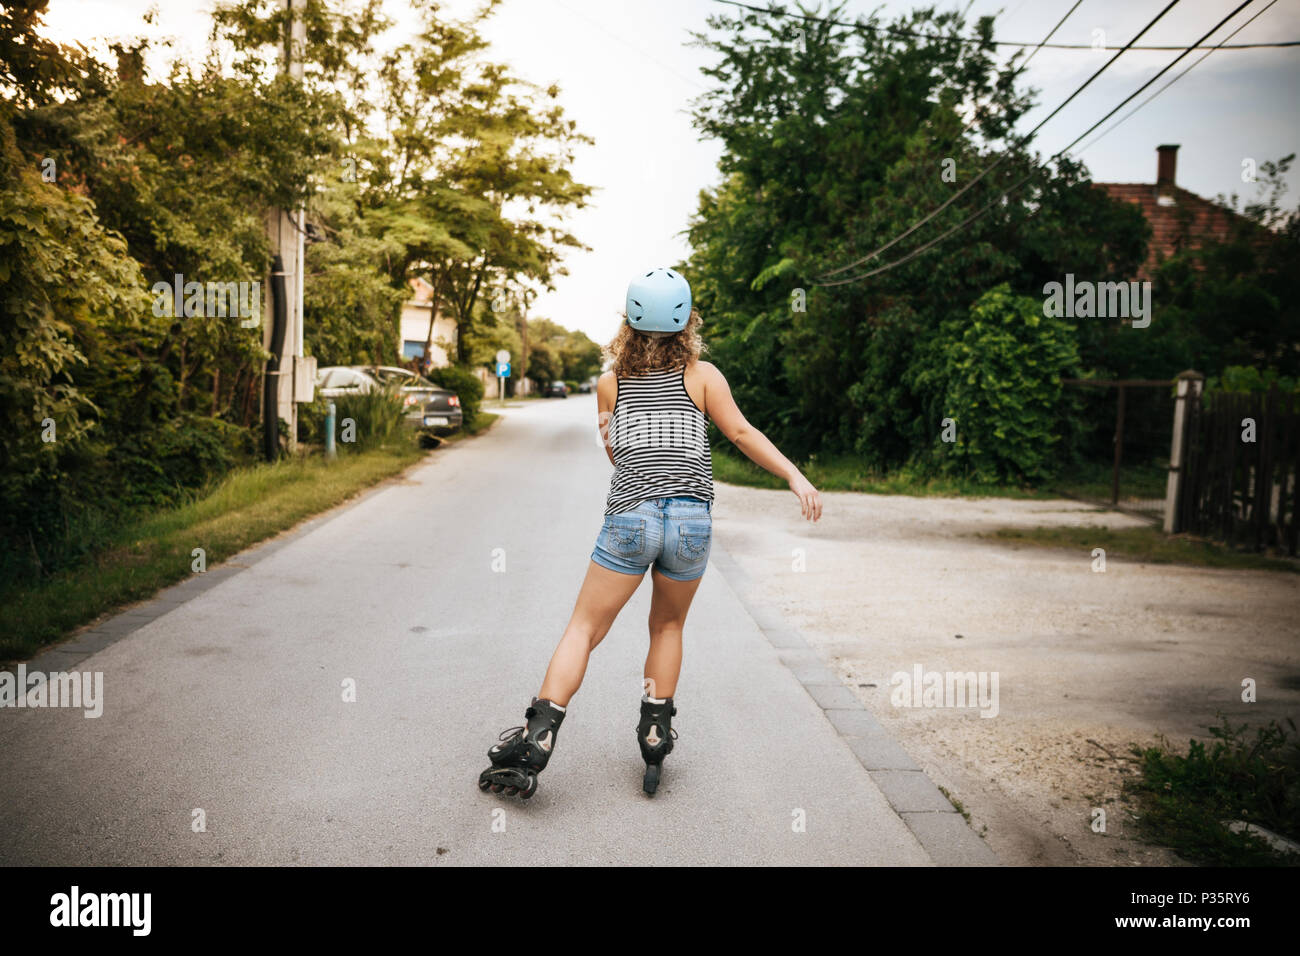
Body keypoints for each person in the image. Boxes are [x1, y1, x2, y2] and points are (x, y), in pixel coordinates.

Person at [477, 267, 822, 798]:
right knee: (667, 627)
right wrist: (793, 475)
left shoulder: (609, 381)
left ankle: (538, 739)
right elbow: (740, 432)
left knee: (584, 630)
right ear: (687, 321)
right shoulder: (703, 376)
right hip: (690, 522)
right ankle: (655, 732)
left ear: (629, 322)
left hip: (631, 519)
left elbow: (615, 451)